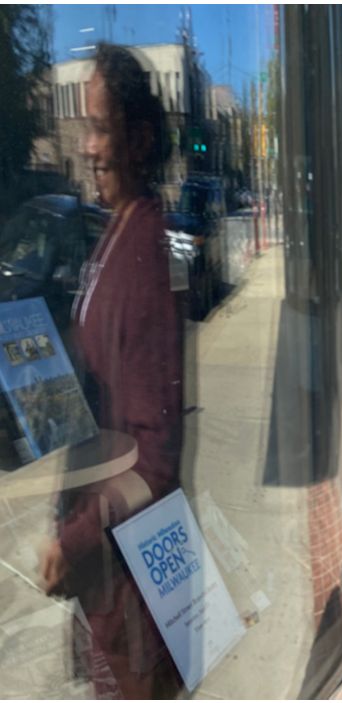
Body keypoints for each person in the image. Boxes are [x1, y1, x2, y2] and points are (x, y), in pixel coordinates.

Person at [37, 42, 183, 698]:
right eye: (85, 128)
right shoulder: (116, 234)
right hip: (111, 571)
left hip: (129, 582)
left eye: (100, 128)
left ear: (140, 138)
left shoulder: (144, 253)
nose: (88, 148)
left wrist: (73, 541)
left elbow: (154, 459)